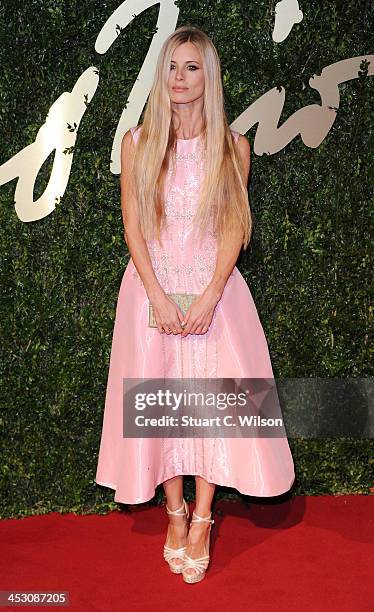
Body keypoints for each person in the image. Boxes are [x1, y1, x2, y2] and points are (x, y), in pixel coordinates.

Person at [95, 25, 295, 584]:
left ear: (209, 76)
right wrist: (156, 294)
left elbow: (233, 228)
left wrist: (210, 295)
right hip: (150, 291)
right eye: (173, 66)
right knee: (162, 403)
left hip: (217, 292)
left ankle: (204, 517)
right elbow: (133, 227)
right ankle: (174, 510)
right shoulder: (137, 142)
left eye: (192, 67)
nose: (180, 78)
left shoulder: (234, 147)